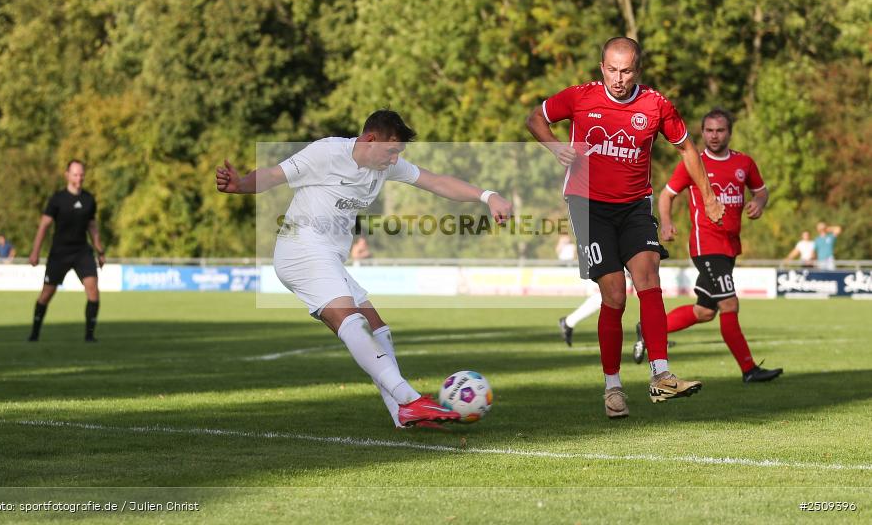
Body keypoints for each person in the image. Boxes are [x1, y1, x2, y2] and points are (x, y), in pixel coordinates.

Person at [216, 109, 512, 429]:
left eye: (398, 153)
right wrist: (241, 184)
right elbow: (274, 175)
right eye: (391, 151)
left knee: (377, 328)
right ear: (370, 139)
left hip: (328, 256)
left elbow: (436, 181)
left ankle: (401, 415)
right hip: (300, 249)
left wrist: (488, 196)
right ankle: (410, 400)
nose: (395, 159)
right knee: (353, 321)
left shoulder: (384, 164)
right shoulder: (327, 153)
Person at [527, 36, 723, 419]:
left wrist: (709, 195)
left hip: (634, 205)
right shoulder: (580, 97)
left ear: (638, 70)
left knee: (648, 274)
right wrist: (554, 146)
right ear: (602, 68)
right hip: (588, 206)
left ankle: (660, 374)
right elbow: (535, 118)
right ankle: (612, 387)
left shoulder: (656, 105)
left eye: (627, 71)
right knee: (615, 294)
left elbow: (687, 148)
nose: (618, 79)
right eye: (612, 70)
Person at [640, 108, 782, 384]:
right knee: (729, 304)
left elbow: (761, 191)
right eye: (709, 131)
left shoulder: (744, 163)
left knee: (705, 311)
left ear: (729, 132)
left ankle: (649, 330)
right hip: (706, 244)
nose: (714, 136)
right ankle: (749, 370)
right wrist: (665, 223)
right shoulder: (694, 163)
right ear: (702, 133)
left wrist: (759, 202)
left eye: (720, 130)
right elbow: (666, 196)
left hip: (730, 246)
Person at [28, 160, 105, 342]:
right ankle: (34, 333)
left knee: (93, 289)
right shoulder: (57, 199)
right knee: (46, 294)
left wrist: (100, 250)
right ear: (67, 175)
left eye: (82, 174)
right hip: (60, 252)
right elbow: (44, 226)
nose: (79, 178)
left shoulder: (89, 199)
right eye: (75, 174)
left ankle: (89, 336)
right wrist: (35, 251)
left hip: (81, 252)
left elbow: (92, 226)